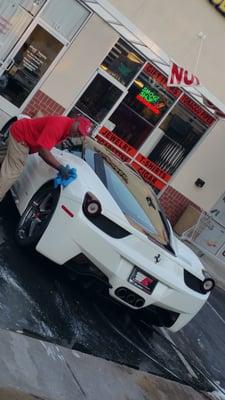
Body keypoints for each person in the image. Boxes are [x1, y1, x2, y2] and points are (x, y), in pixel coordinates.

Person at [0, 114, 92, 202]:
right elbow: (43, 151)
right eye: (78, 129)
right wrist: (60, 167)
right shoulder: (58, 126)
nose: (77, 133)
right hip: (21, 136)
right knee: (13, 170)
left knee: (3, 158)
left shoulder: (67, 129)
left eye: (81, 134)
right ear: (75, 120)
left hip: (20, 130)